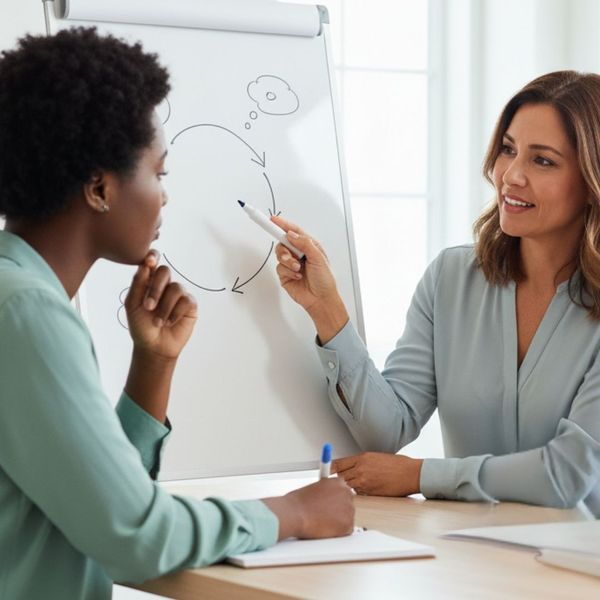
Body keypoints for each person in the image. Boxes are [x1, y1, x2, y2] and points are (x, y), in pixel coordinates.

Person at [0, 28, 354, 599]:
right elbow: (132, 536)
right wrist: (294, 512)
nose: (165, 195)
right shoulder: (25, 315)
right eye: (158, 172)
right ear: (98, 187)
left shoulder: (16, 295)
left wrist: (154, 363)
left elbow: (102, 503)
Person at [273, 70, 600, 515]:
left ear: (591, 179)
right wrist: (326, 309)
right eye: (508, 149)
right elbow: (389, 430)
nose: (511, 176)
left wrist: (420, 475)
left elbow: (568, 474)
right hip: (469, 557)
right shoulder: (452, 278)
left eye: (542, 160)